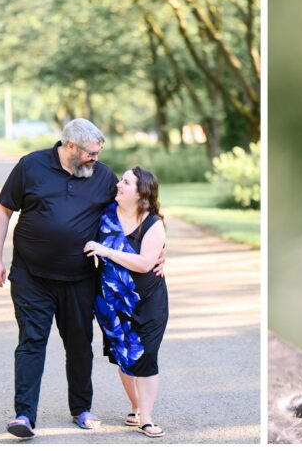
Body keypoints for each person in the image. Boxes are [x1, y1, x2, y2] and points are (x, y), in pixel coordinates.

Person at [0, 119, 163, 439]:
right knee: (31, 341)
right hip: (31, 276)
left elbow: (136, 211)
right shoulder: (31, 166)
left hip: (81, 277)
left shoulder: (102, 176)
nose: (96, 158)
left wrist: (158, 250)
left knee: (80, 344)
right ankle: (24, 415)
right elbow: (3, 211)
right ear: (70, 147)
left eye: (98, 153)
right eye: (92, 153)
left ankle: (81, 408)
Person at [84, 167, 169, 438]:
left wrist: (107, 250)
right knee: (123, 354)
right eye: (121, 179)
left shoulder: (153, 223)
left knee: (146, 356)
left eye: (126, 182)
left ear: (141, 193)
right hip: (111, 301)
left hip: (148, 301)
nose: (119, 184)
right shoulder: (104, 214)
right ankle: (135, 407)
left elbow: (145, 263)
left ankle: (147, 417)